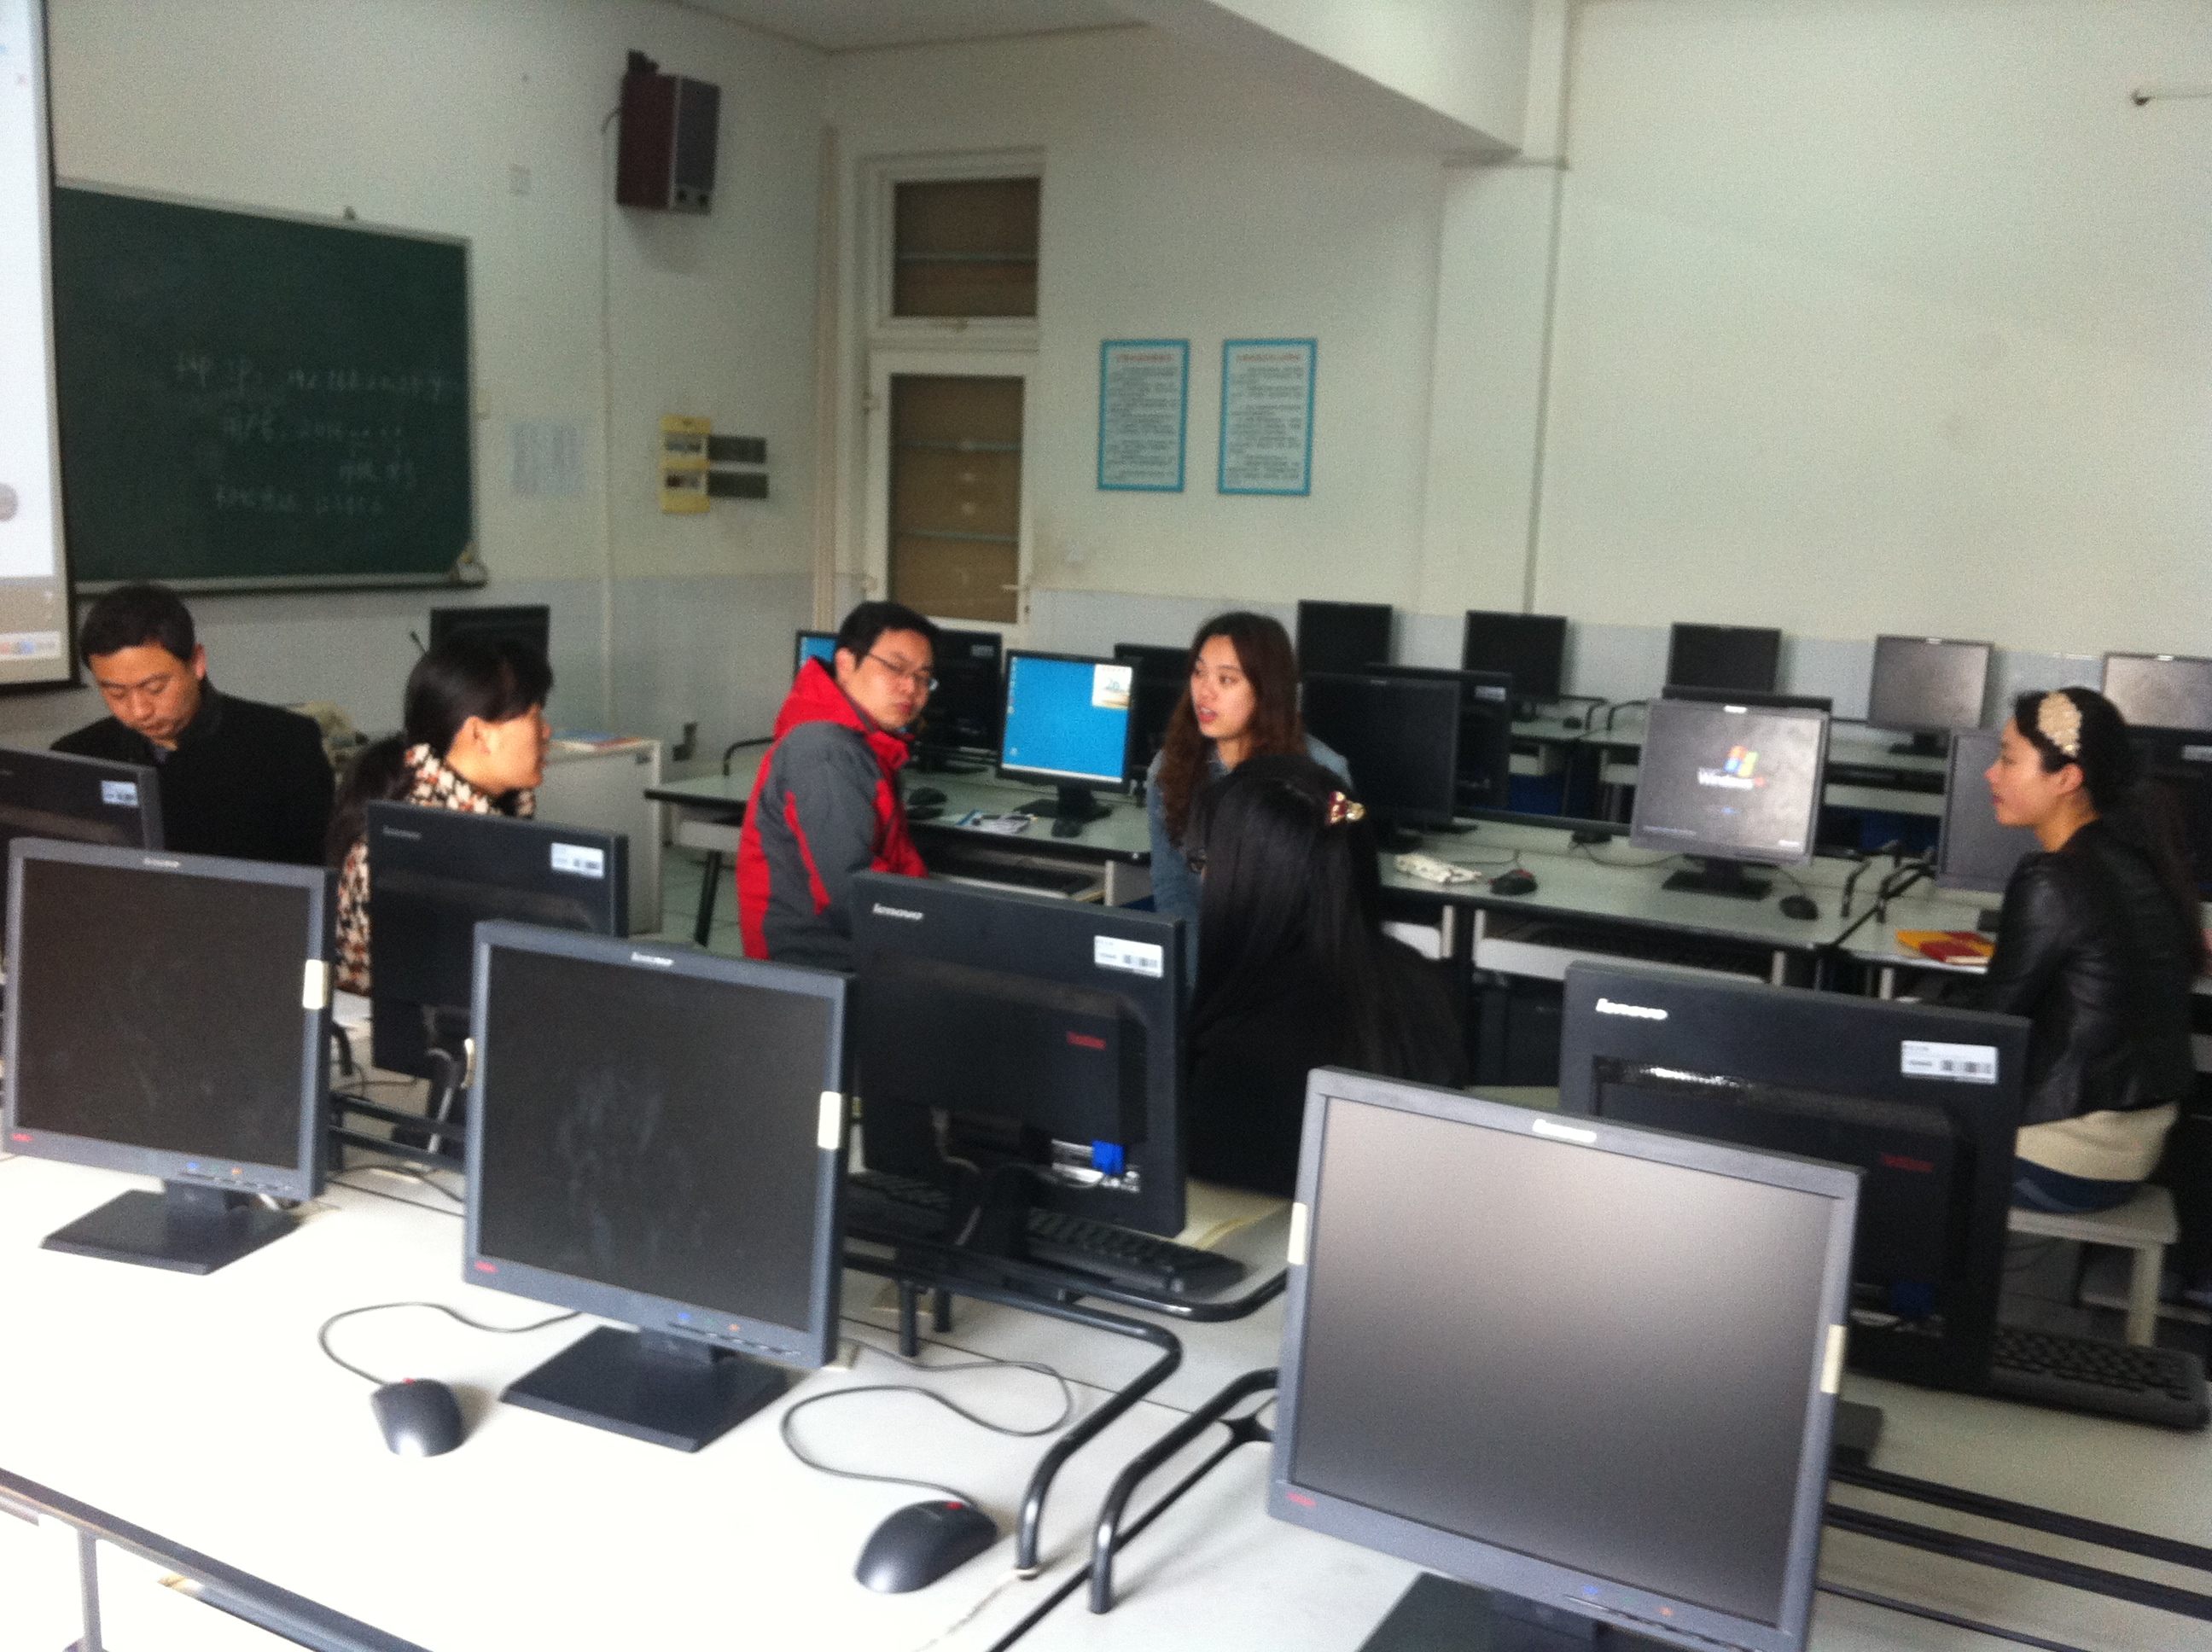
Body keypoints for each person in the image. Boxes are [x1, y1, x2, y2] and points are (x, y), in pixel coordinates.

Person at [1183, 754, 1467, 1195]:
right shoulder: (1423, 984)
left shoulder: (1239, 1048)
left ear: (1250, 881)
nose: (1203, 880)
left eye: (1206, 861)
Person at [1976, 687, 2203, 1214]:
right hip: (2128, 1149)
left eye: (2008, 759)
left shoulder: (2053, 877)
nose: (1991, 774)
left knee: (1876, 1145)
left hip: (2063, 1157)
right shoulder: (2138, 860)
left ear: (2067, 779)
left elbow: (1991, 1025)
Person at [329, 634, 552, 995]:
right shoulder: (407, 844)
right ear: (480, 734)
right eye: (534, 715)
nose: (546, 731)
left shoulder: (488, 818)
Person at [55, 582, 333, 864]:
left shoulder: (285, 744)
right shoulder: (78, 757)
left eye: (155, 688)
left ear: (197, 662)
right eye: (116, 693)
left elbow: (316, 869)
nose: (138, 711)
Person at [737, 601, 935, 969]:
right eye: (895, 668)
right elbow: (853, 892)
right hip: (820, 964)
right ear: (846, 664)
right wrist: (942, 932)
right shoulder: (825, 750)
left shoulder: (860, 742)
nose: (911, 687)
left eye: (923, 677)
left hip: (855, 946)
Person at [1144, 611, 1349, 935]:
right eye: (1199, 673)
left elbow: (1333, 903)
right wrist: (1200, 965)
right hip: (1205, 953)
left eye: (1226, 679)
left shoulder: (1326, 774)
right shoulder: (1169, 770)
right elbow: (1173, 890)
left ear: (1266, 691)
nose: (1205, 692)